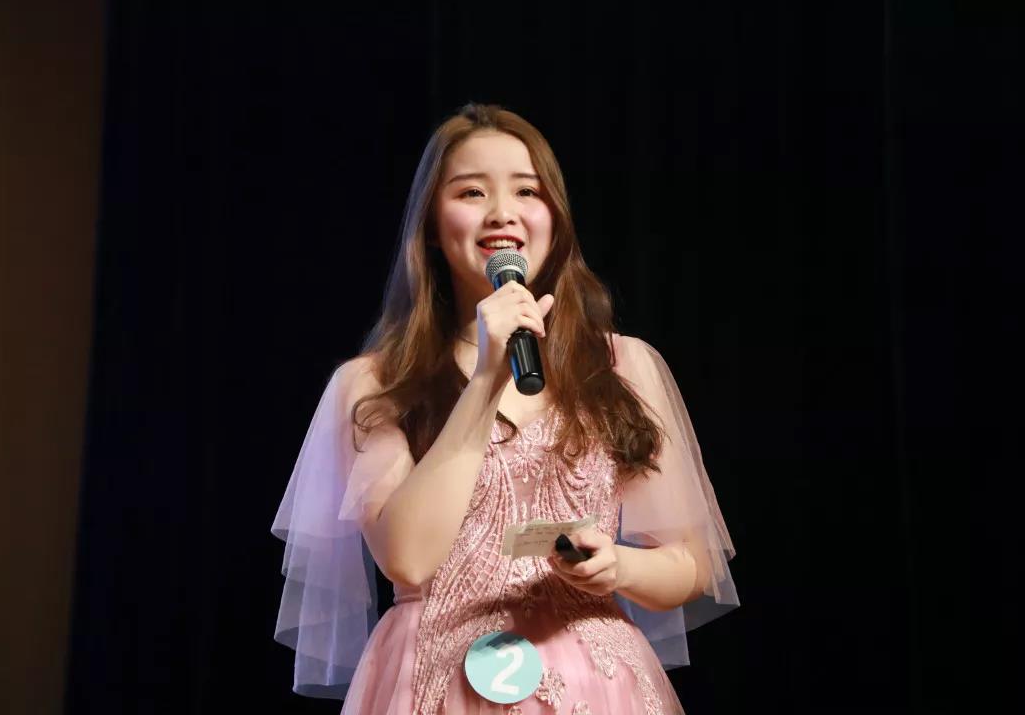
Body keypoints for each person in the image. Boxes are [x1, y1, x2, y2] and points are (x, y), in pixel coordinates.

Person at [271, 103, 739, 713]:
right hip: (437, 682)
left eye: (527, 191)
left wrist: (617, 566)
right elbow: (408, 558)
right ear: (431, 224)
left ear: (556, 218)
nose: (502, 213)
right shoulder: (375, 383)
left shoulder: (622, 364)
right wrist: (486, 381)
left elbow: (690, 567)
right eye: (471, 192)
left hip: (596, 686)